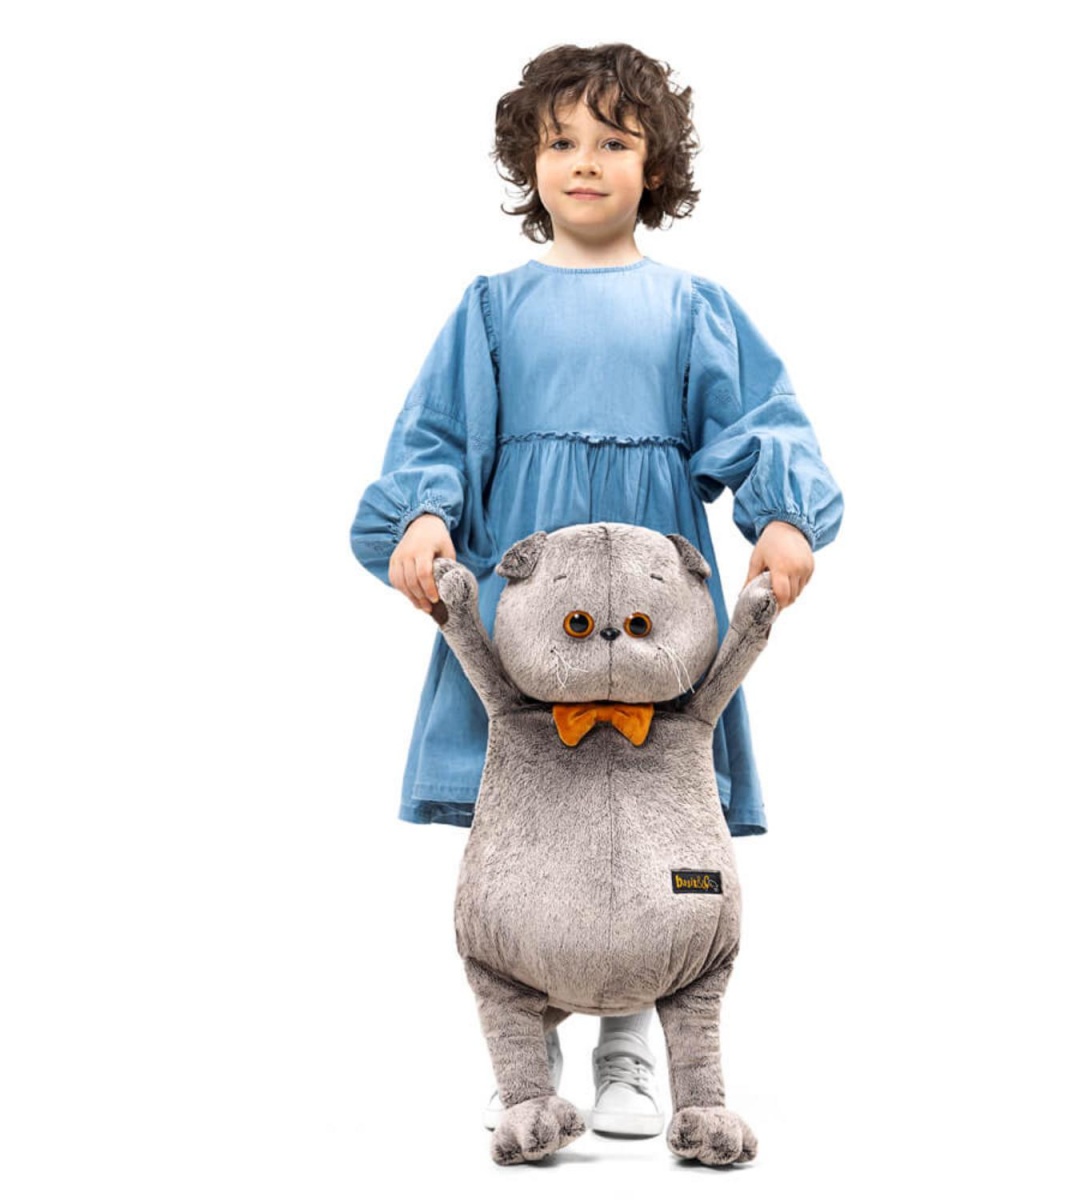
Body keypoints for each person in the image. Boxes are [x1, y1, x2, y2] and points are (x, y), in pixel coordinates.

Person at [349, 42, 844, 1139]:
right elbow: (436, 434)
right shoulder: (492, 308)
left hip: (651, 612)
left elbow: (761, 422)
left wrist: (780, 512)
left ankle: (631, 1044)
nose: (584, 162)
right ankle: (529, 1052)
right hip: (533, 610)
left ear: (654, 165)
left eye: (613, 142)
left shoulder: (691, 307)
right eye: (561, 141)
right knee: (529, 816)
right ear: (528, 163)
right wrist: (422, 514)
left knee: (654, 812)